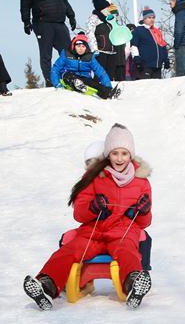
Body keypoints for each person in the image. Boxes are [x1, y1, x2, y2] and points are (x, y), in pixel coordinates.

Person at [24, 124, 153, 311]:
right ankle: (46, 285)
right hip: (93, 231)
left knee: (127, 251)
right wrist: (92, 207)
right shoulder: (94, 176)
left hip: (123, 230)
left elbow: (144, 223)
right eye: (115, 153)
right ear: (108, 153)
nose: (119, 158)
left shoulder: (141, 181)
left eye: (124, 153)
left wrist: (144, 210)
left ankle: (133, 284)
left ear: (130, 155)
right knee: (70, 251)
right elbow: (79, 213)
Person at [20, 0, 76, 86]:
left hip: (60, 23)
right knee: (46, 54)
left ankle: (69, 77)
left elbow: (64, 1)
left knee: (68, 52)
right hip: (42, 24)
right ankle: (50, 81)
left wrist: (71, 16)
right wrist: (26, 22)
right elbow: (25, 6)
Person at [50, 32, 119, 99]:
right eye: (78, 46)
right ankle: (76, 83)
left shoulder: (89, 57)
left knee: (95, 84)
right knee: (68, 75)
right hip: (68, 77)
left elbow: (101, 72)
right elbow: (55, 69)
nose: (81, 48)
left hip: (84, 78)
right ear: (74, 46)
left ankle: (108, 93)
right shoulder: (66, 54)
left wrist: (108, 86)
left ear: (86, 48)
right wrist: (57, 84)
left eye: (83, 46)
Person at [86, 0, 126, 82]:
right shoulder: (94, 18)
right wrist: (94, 49)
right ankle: (97, 89)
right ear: (102, 9)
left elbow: (119, 27)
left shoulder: (110, 19)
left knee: (110, 75)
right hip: (101, 51)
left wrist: (116, 14)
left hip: (112, 51)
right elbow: (89, 33)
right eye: (107, 8)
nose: (109, 10)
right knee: (100, 74)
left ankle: (108, 91)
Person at [130, 7, 170, 79]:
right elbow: (134, 45)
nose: (152, 19)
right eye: (149, 17)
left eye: (153, 17)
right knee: (145, 86)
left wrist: (166, 59)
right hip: (145, 65)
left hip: (158, 65)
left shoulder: (157, 31)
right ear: (144, 19)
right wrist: (136, 58)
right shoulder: (139, 30)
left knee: (156, 87)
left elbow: (162, 46)